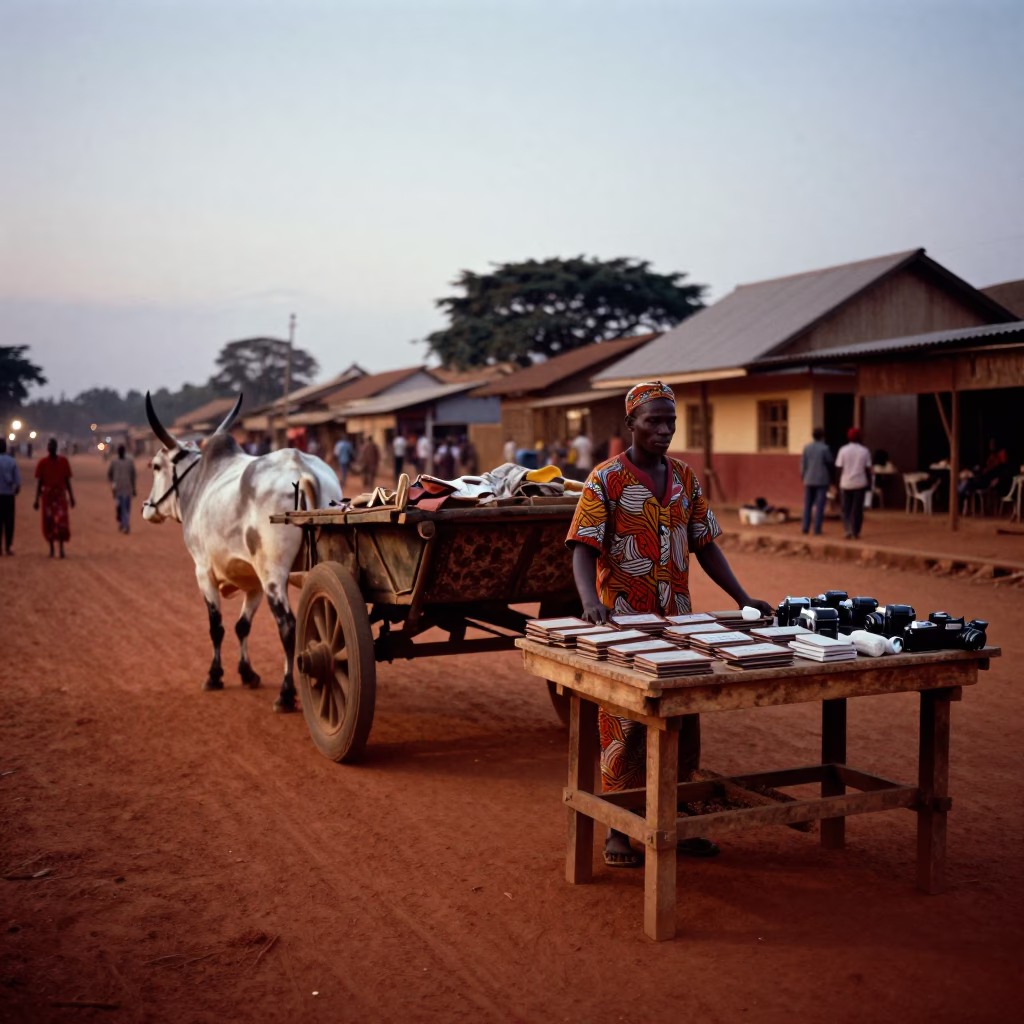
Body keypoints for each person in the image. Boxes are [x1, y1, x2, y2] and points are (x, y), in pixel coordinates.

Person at [567, 381, 772, 867]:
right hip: (625, 622)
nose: (664, 430)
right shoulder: (605, 479)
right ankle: (619, 829)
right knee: (624, 724)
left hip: (679, 623)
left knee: (682, 718)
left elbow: (705, 544)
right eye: (653, 421)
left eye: (670, 422)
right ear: (631, 424)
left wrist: (743, 598)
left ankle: (679, 819)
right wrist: (591, 602)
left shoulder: (684, 478)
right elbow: (582, 547)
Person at [34, 437, 75, 558]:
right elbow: (39, 483)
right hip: (48, 496)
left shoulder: (64, 462)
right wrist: (36, 499)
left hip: (60, 496)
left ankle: (61, 548)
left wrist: (71, 497)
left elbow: (67, 481)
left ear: (56, 448)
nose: (51, 448)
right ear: (47, 448)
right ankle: (51, 548)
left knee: (61, 522)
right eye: (50, 446)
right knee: (49, 522)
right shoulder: (42, 463)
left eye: (53, 446)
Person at [834, 427, 872, 540]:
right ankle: (856, 531)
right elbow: (868, 469)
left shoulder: (843, 450)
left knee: (846, 508)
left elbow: (839, 468)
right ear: (860, 437)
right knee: (858, 509)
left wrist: (836, 483)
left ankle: (847, 529)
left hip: (846, 483)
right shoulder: (865, 451)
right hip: (860, 483)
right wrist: (869, 483)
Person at [800, 427, 834, 535]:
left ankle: (805, 527)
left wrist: (803, 476)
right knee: (820, 505)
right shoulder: (825, 448)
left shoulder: (807, 448)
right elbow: (830, 463)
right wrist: (831, 477)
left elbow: (803, 464)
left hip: (809, 478)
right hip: (822, 480)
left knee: (807, 505)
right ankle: (817, 529)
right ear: (822, 436)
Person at [107, 444, 137, 533]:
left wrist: (134, 488)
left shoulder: (129, 462)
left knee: (126, 508)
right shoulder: (114, 462)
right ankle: (122, 522)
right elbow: (109, 474)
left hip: (127, 489)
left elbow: (133, 476)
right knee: (119, 508)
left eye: (122, 451)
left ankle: (126, 525)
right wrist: (113, 483)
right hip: (117, 490)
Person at [0, 438, 22, 555]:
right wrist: (16, 489)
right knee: (9, 521)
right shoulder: (12, 461)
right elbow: (17, 480)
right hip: (8, 495)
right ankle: (8, 546)